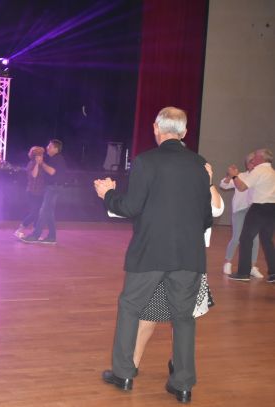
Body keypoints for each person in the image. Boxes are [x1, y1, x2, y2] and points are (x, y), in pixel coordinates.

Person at [94, 107, 212, 403]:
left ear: (156, 129)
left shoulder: (146, 161)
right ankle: (183, 385)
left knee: (130, 307)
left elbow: (130, 207)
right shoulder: (200, 164)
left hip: (150, 252)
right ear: (184, 132)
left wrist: (107, 195)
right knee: (183, 318)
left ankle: (123, 374)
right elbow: (206, 218)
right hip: (189, 255)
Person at [132, 163, 224, 374]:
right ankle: (167, 367)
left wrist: (209, 182)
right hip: (181, 263)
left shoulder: (193, 192)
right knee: (168, 317)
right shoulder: (178, 192)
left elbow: (218, 209)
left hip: (174, 262)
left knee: (168, 317)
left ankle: (138, 366)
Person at [227, 148, 275, 283]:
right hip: (272, 209)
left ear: (261, 158)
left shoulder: (259, 170)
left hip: (259, 208)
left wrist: (234, 176)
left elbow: (242, 187)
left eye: (256, 156)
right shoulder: (272, 172)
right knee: (267, 240)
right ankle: (274, 272)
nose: (253, 158)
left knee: (245, 238)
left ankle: (243, 273)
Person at [219, 152, 262, 277]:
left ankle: (252, 266)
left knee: (255, 239)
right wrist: (230, 176)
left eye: (257, 162)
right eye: (252, 162)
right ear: (248, 164)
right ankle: (227, 262)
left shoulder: (260, 177)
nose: (255, 164)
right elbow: (223, 185)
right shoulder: (240, 176)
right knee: (237, 237)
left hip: (254, 211)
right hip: (240, 210)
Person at [20, 139, 66, 244]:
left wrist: (42, 163)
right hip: (52, 187)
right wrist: (39, 163)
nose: (47, 148)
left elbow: (52, 171)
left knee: (43, 211)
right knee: (49, 213)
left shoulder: (58, 159)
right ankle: (51, 237)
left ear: (56, 149)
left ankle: (35, 235)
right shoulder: (53, 159)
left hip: (53, 188)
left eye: (50, 146)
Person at [14, 146, 46, 238]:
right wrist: (37, 164)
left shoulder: (43, 165)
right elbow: (34, 175)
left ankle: (36, 233)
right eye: (40, 155)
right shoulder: (31, 164)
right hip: (32, 192)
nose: (42, 156)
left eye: (42, 155)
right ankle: (19, 230)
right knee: (34, 212)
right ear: (35, 156)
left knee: (38, 214)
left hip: (41, 192)